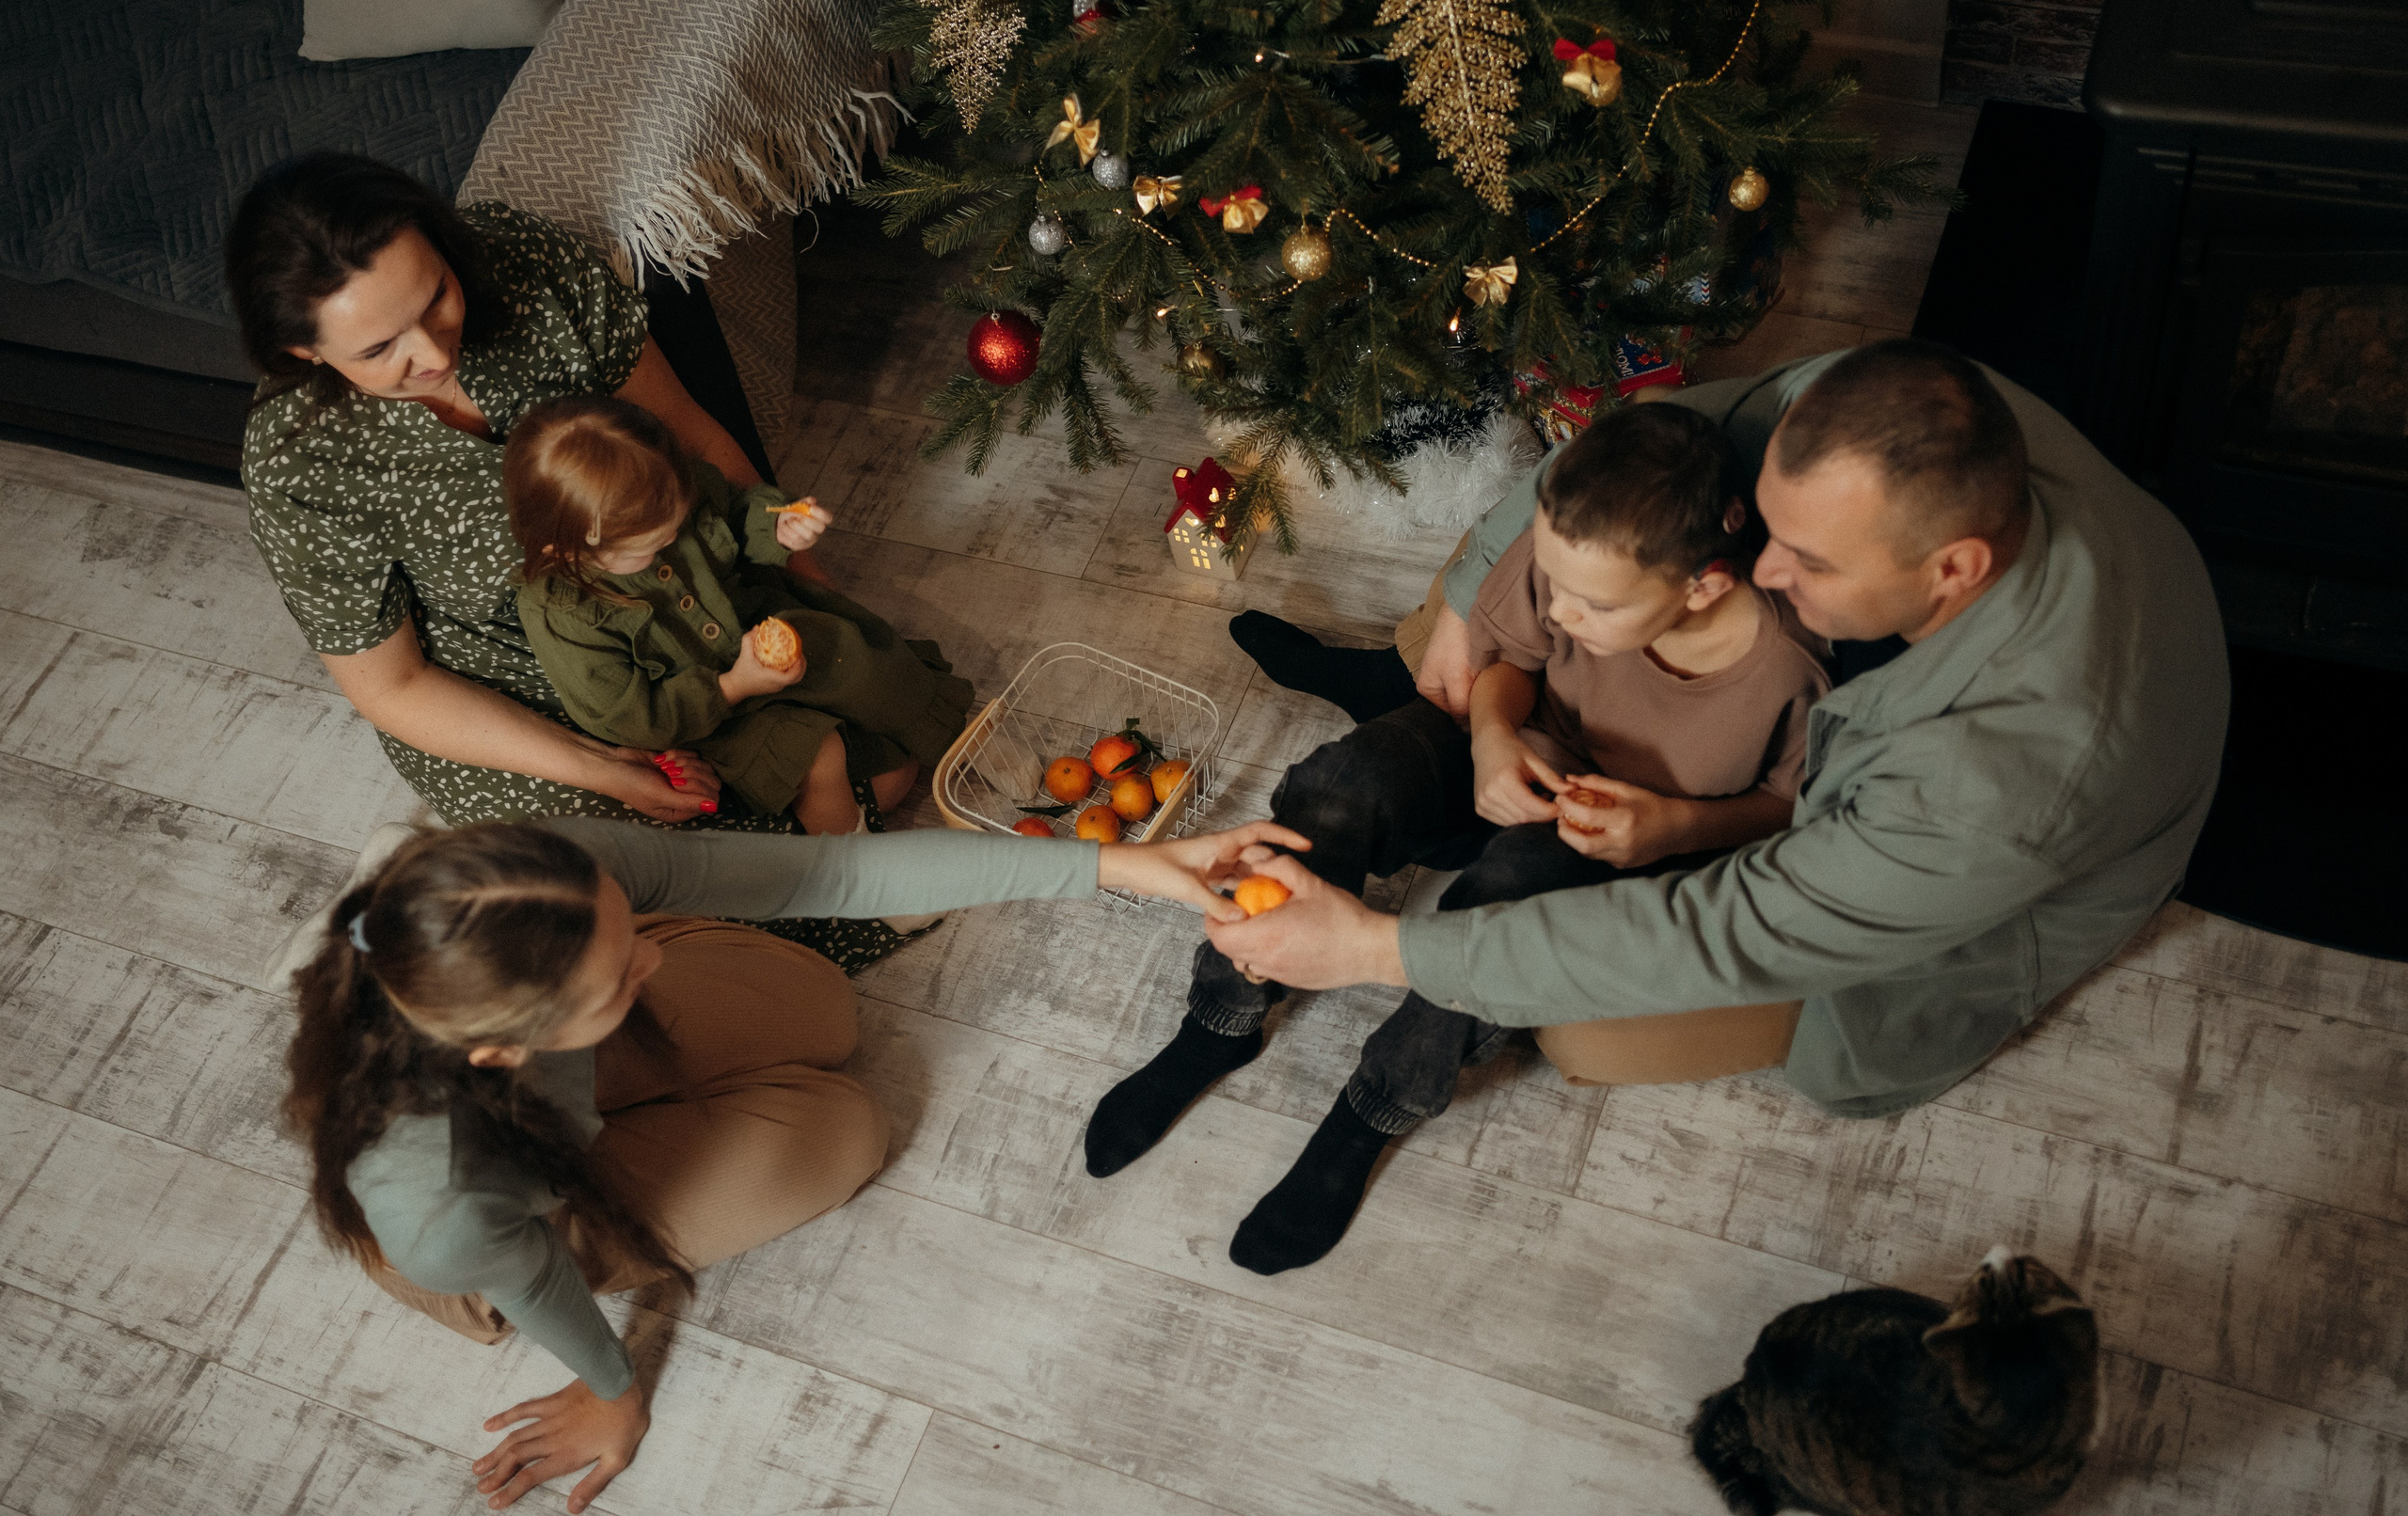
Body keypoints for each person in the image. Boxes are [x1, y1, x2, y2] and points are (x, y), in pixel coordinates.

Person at [1210, 340, 2229, 1119]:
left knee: (1581, 1031)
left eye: (1811, 562)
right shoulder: (1875, 408)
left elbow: (1729, 929)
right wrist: (1477, 594)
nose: (1759, 573)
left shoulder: (1997, 788)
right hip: (1644, 739)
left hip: (1926, 895)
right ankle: (1424, 750)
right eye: (1768, 527)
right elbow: (1650, 441)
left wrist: (1378, 948)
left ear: (1951, 569)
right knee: (1473, 611)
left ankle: (1452, 829)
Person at [277, 812, 1307, 1513]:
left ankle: (632, 1065)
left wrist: (1122, 865)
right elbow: (539, 1273)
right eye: (620, 972)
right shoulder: (443, 1198)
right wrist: (611, 1383)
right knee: (845, 1124)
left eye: (631, 930)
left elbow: (832, 873)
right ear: (506, 1046)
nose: (658, 955)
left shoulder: (543, 877)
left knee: (823, 1004)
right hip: (522, 1224)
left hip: (556, 1091)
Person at [1084, 406, 1831, 1272]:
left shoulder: (1788, 672)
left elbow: (1786, 807)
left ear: (1702, 586)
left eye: (1592, 607)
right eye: (1555, 585)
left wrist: (1676, 826)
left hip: (1616, 830)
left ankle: (1376, 1104)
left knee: (1501, 909)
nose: (1565, 612)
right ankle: (1223, 1015)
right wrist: (1490, 739)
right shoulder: (1574, 548)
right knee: (1344, 780)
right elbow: (1510, 663)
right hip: (1519, 744)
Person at [229, 151, 830, 828]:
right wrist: (598, 764)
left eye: (436, 298)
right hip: (508, 691)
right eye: (377, 350)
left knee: (870, 762)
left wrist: (817, 592)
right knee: (692, 876)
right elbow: (394, 685)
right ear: (303, 352)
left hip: (667, 591)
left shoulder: (524, 263)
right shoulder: (300, 462)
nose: (432, 354)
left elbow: (690, 434)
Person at [505, 395, 972, 833]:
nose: (672, 540)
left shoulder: (671, 486)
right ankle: (861, 873)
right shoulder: (563, 614)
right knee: (818, 755)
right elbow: (631, 718)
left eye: (677, 524)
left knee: (862, 659)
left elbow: (734, 510)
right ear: (567, 545)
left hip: (759, 625)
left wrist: (777, 523)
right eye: (651, 546)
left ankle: (959, 739)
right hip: (713, 714)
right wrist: (735, 685)